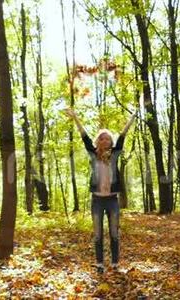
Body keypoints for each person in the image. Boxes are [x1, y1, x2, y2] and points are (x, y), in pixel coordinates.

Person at [64, 107, 137, 274]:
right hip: (97, 200)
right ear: (98, 141)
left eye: (108, 139)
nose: (105, 141)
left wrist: (132, 118)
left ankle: (115, 263)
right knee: (97, 234)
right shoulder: (92, 154)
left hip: (112, 200)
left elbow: (123, 136)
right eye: (102, 139)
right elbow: (84, 137)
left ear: (111, 142)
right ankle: (99, 264)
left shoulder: (115, 154)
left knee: (114, 233)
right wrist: (75, 117)